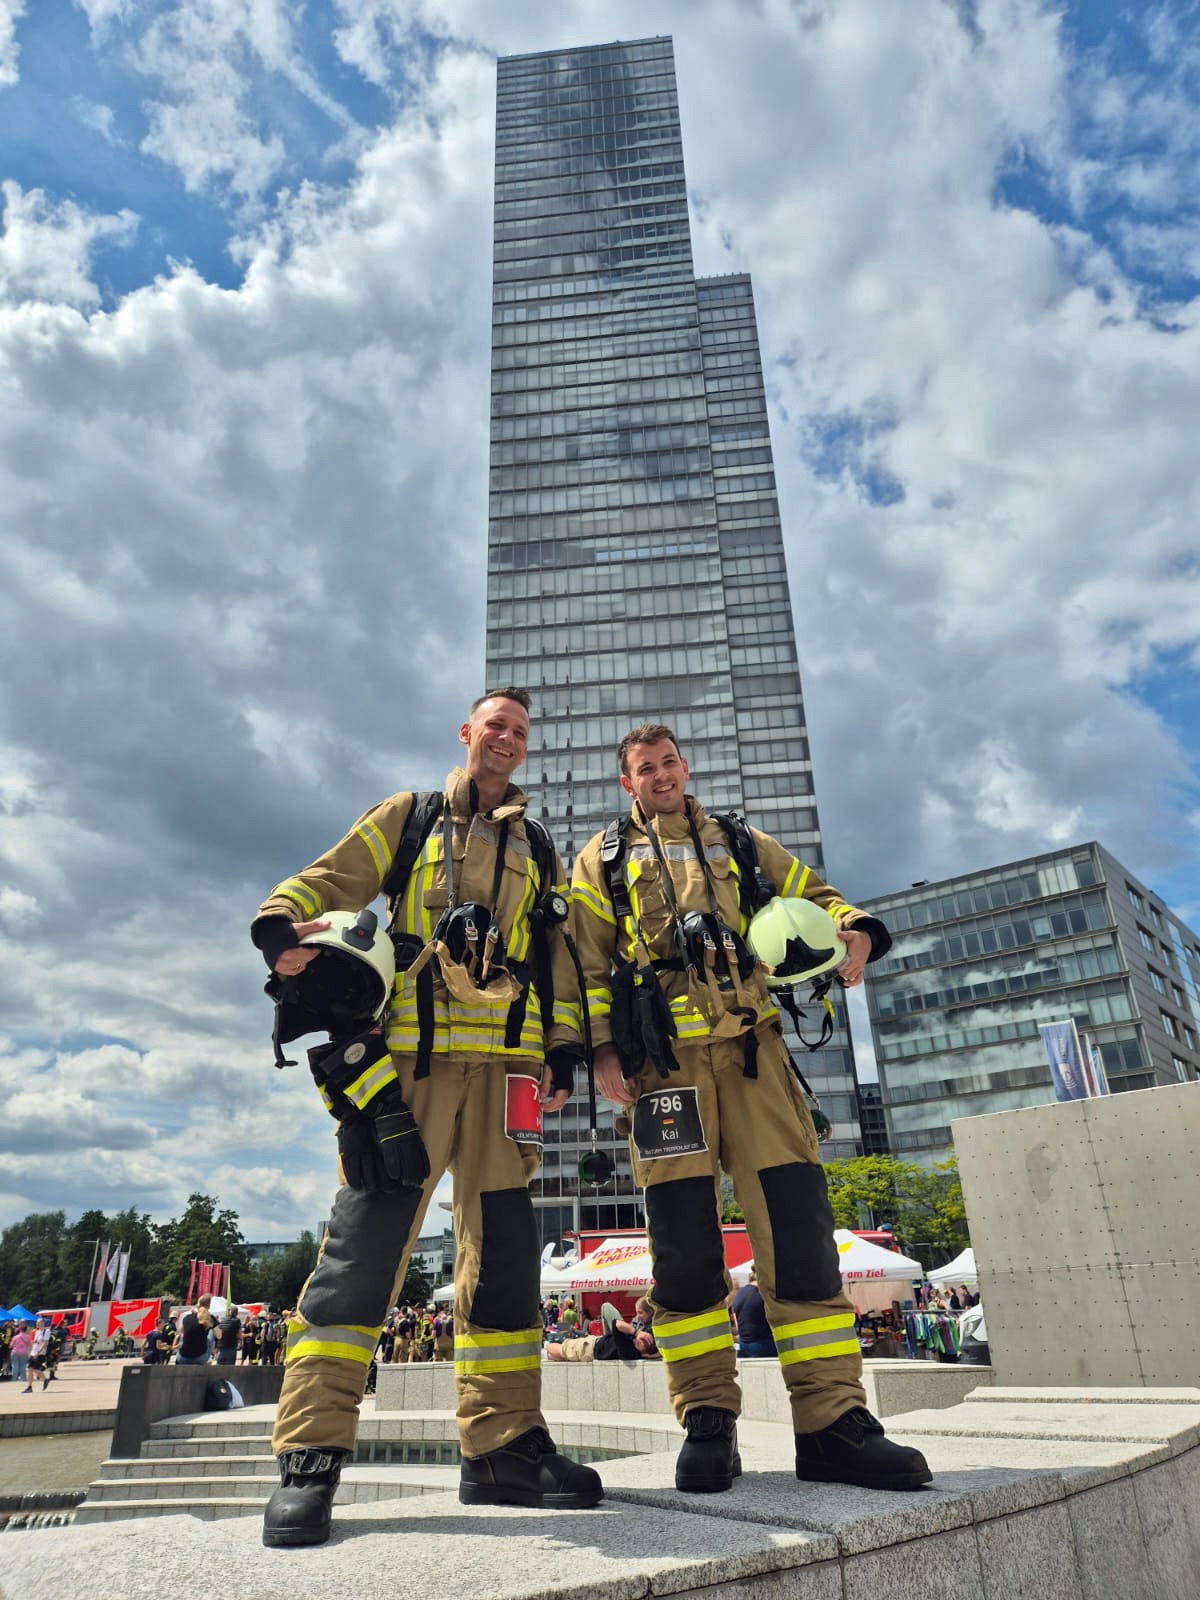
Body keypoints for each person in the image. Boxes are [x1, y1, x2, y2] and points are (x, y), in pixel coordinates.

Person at [250, 687, 602, 1548]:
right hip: (411, 1067)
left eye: (519, 731)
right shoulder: (409, 818)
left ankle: (503, 1447)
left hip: (508, 1077)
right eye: (495, 726)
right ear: (468, 734)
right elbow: (330, 875)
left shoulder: (539, 848)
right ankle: (310, 1456)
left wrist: (561, 1050)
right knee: (363, 1250)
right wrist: (280, 924)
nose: (507, 739)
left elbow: (555, 960)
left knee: (507, 1260)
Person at [571, 723, 932, 1495]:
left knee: (799, 1232)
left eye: (669, 762)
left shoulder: (738, 840)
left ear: (685, 766)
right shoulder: (601, 859)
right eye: (645, 768)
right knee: (683, 1249)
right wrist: (601, 1050)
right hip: (663, 1071)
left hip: (755, 1055)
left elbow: (817, 895)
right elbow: (588, 963)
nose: (661, 775)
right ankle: (707, 1421)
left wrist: (856, 930)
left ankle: (833, 1423)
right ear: (627, 782)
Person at [730, 1267, 775, 1359]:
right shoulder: (764, 1295)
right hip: (764, 1346)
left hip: (744, 1346)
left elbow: (738, 1325)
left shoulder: (740, 1293)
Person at [176, 1295, 215, 1365]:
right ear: (208, 1306)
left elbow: (179, 1330)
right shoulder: (210, 1318)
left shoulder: (187, 1317)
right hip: (200, 1358)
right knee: (211, 1332)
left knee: (182, 1334)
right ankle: (210, 1357)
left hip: (182, 1358)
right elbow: (219, 1336)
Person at [11, 1323, 31, 1391]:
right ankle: (23, 1378)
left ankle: (14, 1378)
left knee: (15, 1365)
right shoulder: (28, 1337)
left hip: (15, 1352)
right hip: (24, 1352)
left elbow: (11, 1345)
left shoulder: (15, 1337)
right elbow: (29, 1344)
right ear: (26, 1330)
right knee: (23, 1365)